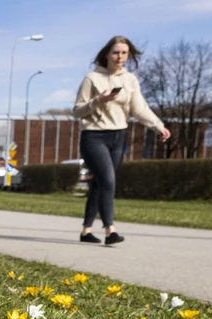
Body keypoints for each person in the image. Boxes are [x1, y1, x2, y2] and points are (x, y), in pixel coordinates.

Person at [73, 35, 170, 246]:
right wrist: (98, 100)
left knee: (99, 184)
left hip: (118, 136)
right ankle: (110, 231)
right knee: (108, 181)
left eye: (124, 53)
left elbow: (139, 109)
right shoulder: (92, 79)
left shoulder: (130, 80)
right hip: (94, 136)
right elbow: (77, 111)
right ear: (107, 54)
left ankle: (86, 231)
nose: (120, 57)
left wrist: (158, 126)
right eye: (116, 52)